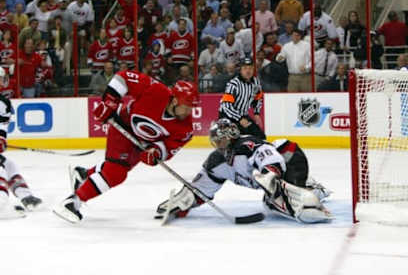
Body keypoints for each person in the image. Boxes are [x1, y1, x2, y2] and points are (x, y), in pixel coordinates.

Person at [53, 71, 199, 223]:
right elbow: (123, 77)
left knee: (118, 167)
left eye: (192, 107)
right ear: (175, 101)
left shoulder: (185, 129)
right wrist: (109, 103)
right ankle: (72, 202)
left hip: (141, 143)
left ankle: (84, 175)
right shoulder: (156, 90)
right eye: (187, 106)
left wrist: (156, 153)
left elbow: (167, 149)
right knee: (116, 173)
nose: (189, 112)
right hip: (123, 125)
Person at [155, 119, 332, 224]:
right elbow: (202, 188)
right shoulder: (217, 161)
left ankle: (311, 191)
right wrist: (183, 202)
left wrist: (270, 173)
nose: (219, 145)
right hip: (274, 176)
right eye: (216, 142)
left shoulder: (245, 145)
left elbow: (269, 156)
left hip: (289, 156)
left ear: (231, 137)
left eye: (221, 140)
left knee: (275, 201)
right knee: (271, 201)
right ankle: (307, 189)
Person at [0, 67, 43, 214]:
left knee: (10, 166)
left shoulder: (3, 103)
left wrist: (1, 139)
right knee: (1, 171)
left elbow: (2, 126)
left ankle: (26, 197)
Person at [219, 57, 265, 139]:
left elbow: (258, 98)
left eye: (250, 68)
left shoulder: (256, 82)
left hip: (243, 116)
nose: (248, 71)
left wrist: (256, 113)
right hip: (228, 117)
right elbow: (226, 106)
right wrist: (239, 118)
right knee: (233, 140)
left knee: (260, 137)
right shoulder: (233, 84)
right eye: (245, 68)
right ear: (240, 70)